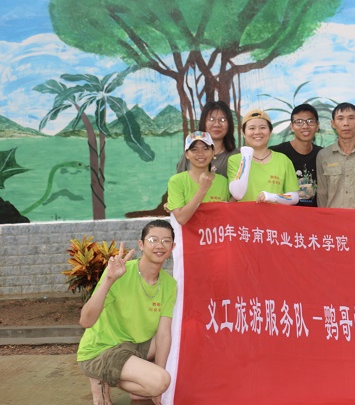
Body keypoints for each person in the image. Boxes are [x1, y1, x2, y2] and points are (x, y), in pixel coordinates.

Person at [77, 219, 178, 405]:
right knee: (161, 381)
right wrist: (109, 279)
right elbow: (85, 321)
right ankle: (100, 374)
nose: (159, 245)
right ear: (141, 244)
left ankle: (117, 378)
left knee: (159, 379)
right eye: (153, 240)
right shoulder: (121, 273)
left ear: (173, 247)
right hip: (102, 349)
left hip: (134, 346)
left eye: (166, 241)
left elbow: (163, 335)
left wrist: (157, 387)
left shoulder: (169, 284)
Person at [228, 109, 300, 205]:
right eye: (252, 128)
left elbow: (294, 197)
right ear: (244, 133)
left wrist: (273, 197)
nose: (257, 132)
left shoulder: (283, 160)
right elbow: (237, 194)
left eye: (262, 127)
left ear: (270, 131)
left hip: (275, 215)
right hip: (244, 215)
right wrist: (246, 157)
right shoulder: (235, 160)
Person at [167, 131, 230, 225]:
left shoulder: (223, 182)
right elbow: (181, 219)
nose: (200, 153)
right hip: (189, 234)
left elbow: (228, 215)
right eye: (194, 149)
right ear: (187, 154)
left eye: (205, 148)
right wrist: (202, 190)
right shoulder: (176, 181)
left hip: (217, 233)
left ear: (213, 152)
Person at [270, 103, 323, 207]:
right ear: (292, 127)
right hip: (284, 215)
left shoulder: (323, 155)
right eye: (299, 122)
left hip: (314, 215)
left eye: (310, 121)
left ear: (317, 126)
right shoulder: (276, 153)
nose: (305, 126)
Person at [176, 101, 237, 176]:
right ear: (203, 122)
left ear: (229, 124)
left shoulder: (237, 155)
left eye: (223, 120)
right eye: (211, 119)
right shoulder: (191, 153)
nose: (217, 124)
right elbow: (178, 180)